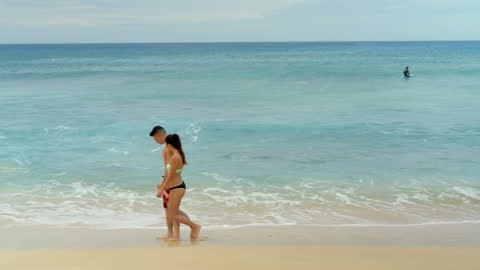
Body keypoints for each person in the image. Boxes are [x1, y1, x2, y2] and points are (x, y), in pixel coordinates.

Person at [156, 134, 201, 241]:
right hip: (174, 187)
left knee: (173, 214)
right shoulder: (175, 155)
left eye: (167, 143)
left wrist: (162, 189)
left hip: (177, 188)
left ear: (170, 144)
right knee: (174, 212)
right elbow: (168, 174)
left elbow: (170, 176)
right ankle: (177, 236)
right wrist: (162, 184)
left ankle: (194, 226)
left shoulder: (176, 157)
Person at [149, 125, 174, 239]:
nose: (156, 142)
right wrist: (163, 181)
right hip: (172, 180)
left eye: (155, 139)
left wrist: (163, 185)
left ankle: (171, 233)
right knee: (170, 208)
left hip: (171, 182)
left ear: (161, 135)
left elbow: (169, 168)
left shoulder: (168, 148)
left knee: (169, 208)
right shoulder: (172, 145)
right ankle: (173, 233)